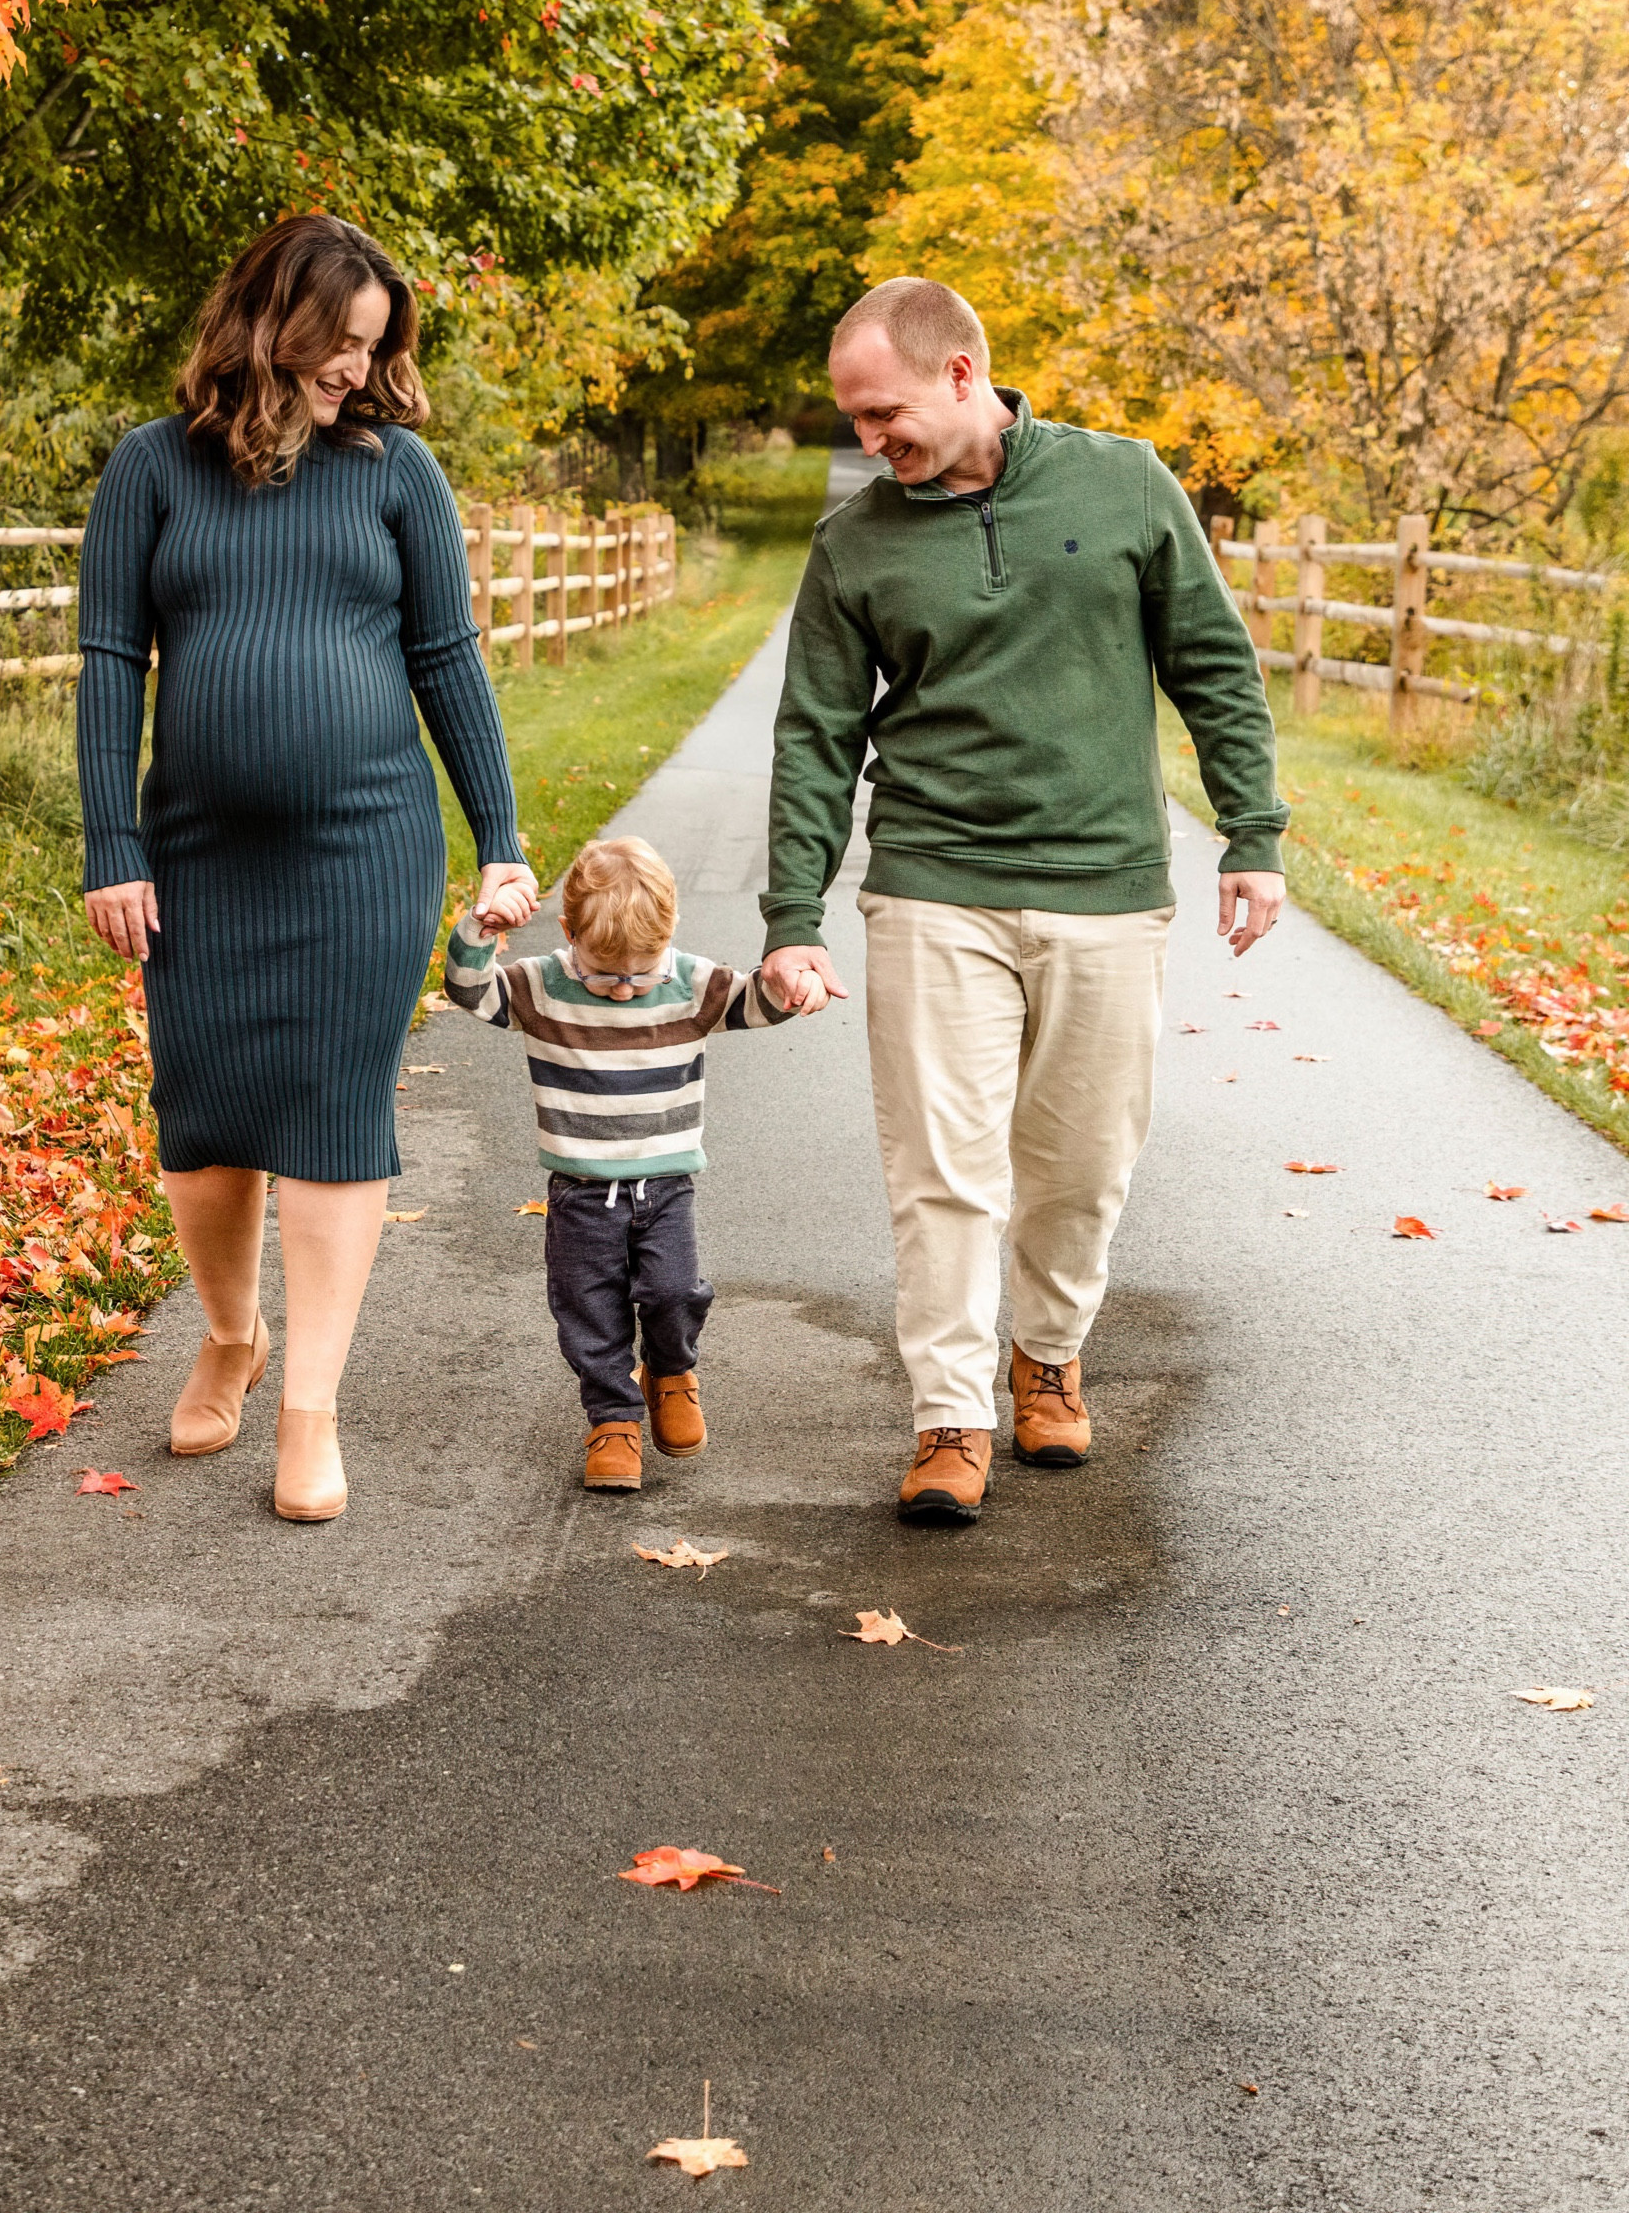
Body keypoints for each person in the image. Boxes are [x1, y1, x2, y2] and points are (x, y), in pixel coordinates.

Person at [758, 278, 1287, 1525]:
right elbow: (813, 738)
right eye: (852, 419)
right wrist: (792, 915)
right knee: (939, 1169)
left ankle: (1045, 1353)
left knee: (1081, 1162)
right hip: (931, 888)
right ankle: (949, 1415)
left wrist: (1251, 834)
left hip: (1104, 886)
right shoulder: (856, 542)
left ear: (958, 376)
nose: (866, 441)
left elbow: (1212, 663)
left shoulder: (1123, 484)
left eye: (881, 412)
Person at [76, 212, 537, 1524]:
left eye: (371, 347)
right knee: (206, 1131)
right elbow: (112, 663)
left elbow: (447, 657)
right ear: (267, 322)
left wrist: (500, 834)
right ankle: (232, 1334)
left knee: (338, 1125)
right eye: (336, 342)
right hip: (199, 858)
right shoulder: (152, 469)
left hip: (366, 848)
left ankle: (310, 1413)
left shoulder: (396, 475)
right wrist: (114, 846)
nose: (354, 368)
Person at [444, 836, 824, 1493]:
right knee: (588, 1310)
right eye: (602, 973)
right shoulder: (542, 987)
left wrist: (793, 985)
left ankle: (671, 1373)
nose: (622, 991)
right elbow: (469, 992)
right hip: (580, 1194)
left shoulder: (691, 984)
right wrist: (480, 927)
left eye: (640, 973)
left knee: (675, 1292)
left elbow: (755, 1001)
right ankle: (612, 1418)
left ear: (670, 936)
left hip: (666, 1187)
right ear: (568, 934)